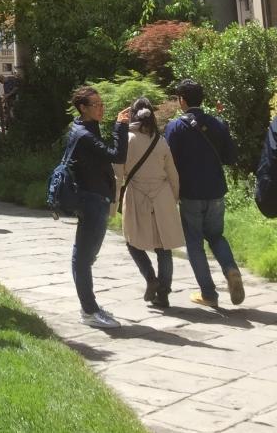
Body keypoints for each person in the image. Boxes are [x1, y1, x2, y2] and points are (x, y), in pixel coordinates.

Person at [165, 78, 244, 307]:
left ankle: (209, 294)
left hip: (190, 192)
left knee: (194, 243)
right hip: (216, 190)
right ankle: (231, 269)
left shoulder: (175, 127)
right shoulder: (218, 123)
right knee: (216, 236)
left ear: (182, 100)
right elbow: (230, 157)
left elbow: (167, 161)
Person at [67, 85, 130, 329]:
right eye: (96, 105)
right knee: (83, 257)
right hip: (91, 200)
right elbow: (117, 155)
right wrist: (120, 126)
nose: (101, 108)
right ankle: (89, 311)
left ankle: (90, 307)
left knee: (86, 256)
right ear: (83, 108)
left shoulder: (86, 128)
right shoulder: (84, 135)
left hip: (96, 198)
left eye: (102, 104)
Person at [114, 97, 184, 310]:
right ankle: (163, 294)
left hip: (137, 195)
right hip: (162, 196)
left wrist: (113, 202)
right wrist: (174, 198)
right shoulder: (160, 141)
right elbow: (173, 174)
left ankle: (150, 278)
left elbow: (118, 174)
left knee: (132, 241)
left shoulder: (126, 140)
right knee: (164, 247)